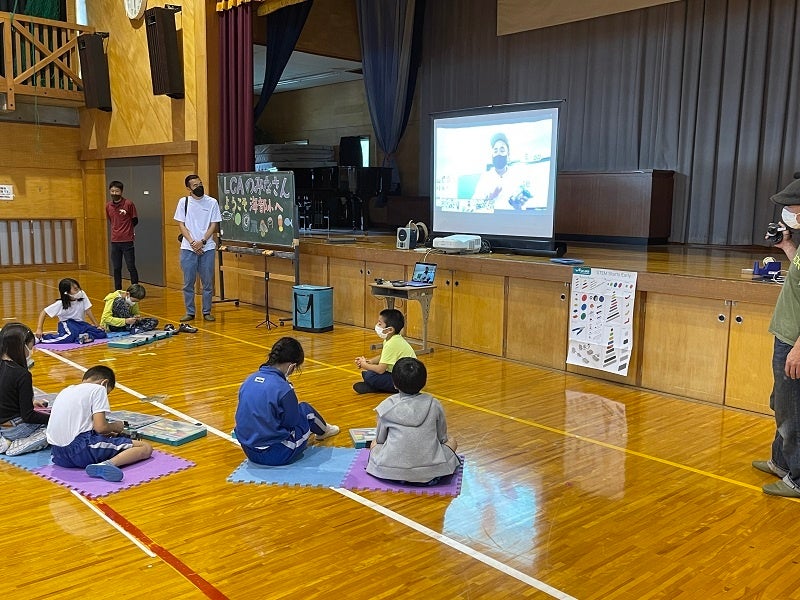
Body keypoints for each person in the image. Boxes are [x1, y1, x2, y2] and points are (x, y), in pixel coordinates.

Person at [754, 178, 800, 498]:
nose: (787, 212)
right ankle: (781, 462)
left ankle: (797, 478)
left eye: (791, 207)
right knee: (781, 403)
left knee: (792, 411)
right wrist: (787, 247)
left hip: (794, 341)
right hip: (785, 335)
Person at [234, 337, 339, 466]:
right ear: (292, 366)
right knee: (306, 410)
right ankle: (324, 431)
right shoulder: (283, 388)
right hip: (276, 454)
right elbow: (291, 422)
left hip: (249, 450)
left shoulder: (249, 380)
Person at [46, 365, 153, 482]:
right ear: (104, 383)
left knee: (103, 439)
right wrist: (116, 426)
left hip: (57, 455)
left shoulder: (66, 390)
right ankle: (107, 464)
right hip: (79, 451)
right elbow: (101, 428)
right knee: (145, 447)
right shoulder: (99, 389)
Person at [366, 357, 459, 484]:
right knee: (452, 441)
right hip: (432, 470)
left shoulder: (386, 406)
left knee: (374, 443)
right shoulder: (434, 404)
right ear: (423, 382)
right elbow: (442, 437)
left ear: (394, 384)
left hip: (389, 470)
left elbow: (380, 439)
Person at [175, 174, 222, 323]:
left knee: (207, 283)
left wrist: (202, 241)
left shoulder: (212, 202)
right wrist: (192, 243)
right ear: (188, 188)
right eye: (195, 185)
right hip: (188, 248)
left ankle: (207, 311)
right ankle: (190, 312)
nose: (199, 187)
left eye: (200, 184)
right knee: (188, 283)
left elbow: (213, 224)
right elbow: (181, 224)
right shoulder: (184, 202)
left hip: (207, 248)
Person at [0, 322, 49, 456]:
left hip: (3, 424)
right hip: (15, 428)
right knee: (56, 428)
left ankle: (5, 441)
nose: (31, 352)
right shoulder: (22, 374)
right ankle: (22, 443)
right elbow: (28, 416)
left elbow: (5, 396)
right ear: (21, 347)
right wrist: (53, 418)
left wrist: (30, 402)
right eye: (30, 348)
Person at [353, 308, 416, 394]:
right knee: (370, 373)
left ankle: (376, 386)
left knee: (370, 375)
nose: (377, 326)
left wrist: (364, 365)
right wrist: (370, 361)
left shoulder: (392, 343)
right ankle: (376, 385)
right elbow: (383, 356)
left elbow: (380, 370)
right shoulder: (392, 339)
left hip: (406, 382)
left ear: (390, 330)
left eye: (380, 324)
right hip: (405, 378)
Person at [471, 132, 531, 210]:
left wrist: (518, 205)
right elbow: (473, 206)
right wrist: (490, 198)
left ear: (508, 154)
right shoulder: (485, 178)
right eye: (495, 151)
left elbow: (521, 209)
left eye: (502, 151)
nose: (498, 154)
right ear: (492, 155)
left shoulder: (517, 177)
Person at [35, 278, 106, 344]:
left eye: (78, 288)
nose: (79, 291)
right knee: (69, 337)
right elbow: (44, 312)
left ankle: (80, 337)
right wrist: (39, 329)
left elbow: (88, 310)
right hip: (68, 324)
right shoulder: (60, 304)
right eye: (75, 289)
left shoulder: (82, 295)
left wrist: (97, 325)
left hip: (81, 324)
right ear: (66, 292)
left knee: (101, 333)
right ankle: (41, 338)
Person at [105, 180, 139, 292]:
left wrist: (128, 230)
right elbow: (111, 220)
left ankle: (135, 288)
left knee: (131, 266)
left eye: (117, 191)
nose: (114, 193)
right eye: (112, 191)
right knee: (116, 267)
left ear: (121, 191)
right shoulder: (108, 206)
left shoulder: (128, 204)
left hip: (127, 240)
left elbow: (135, 220)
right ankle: (118, 290)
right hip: (115, 241)